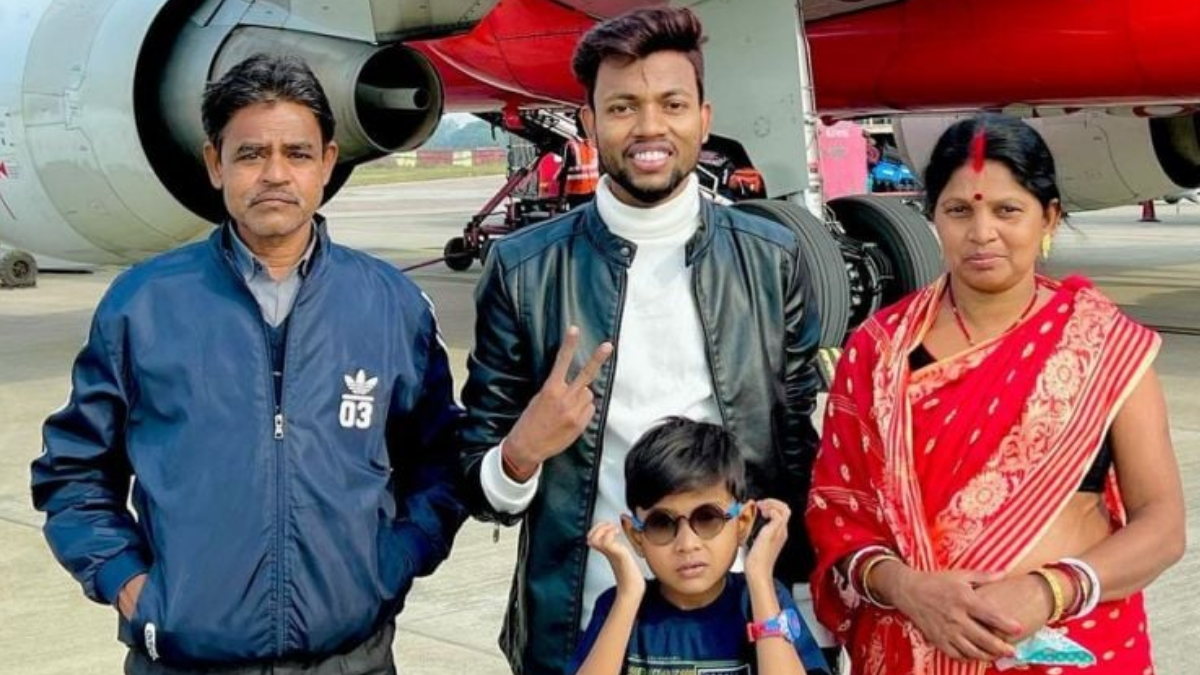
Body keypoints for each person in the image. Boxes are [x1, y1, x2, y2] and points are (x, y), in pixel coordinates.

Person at [30, 54, 466, 674]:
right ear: (216, 164)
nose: (275, 174)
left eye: (297, 152)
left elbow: (437, 462)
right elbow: (72, 473)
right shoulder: (144, 304)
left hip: (353, 660)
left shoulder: (390, 304)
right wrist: (132, 586)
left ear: (327, 164)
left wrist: (391, 564)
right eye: (251, 154)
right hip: (186, 660)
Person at [459, 7, 823, 674]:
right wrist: (519, 452)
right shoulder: (525, 270)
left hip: (743, 635)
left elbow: (797, 451)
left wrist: (802, 599)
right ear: (590, 123)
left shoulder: (771, 259)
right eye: (622, 106)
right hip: (587, 630)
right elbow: (474, 480)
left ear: (704, 118)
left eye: (672, 103)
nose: (650, 127)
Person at [807, 113, 1186, 675]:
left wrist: (1047, 591)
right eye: (960, 210)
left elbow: (1162, 524)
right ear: (933, 216)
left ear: (1049, 217)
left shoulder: (1104, 345)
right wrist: (908, 588)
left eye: (1007, 210)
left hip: (1073, 644)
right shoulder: (878, 350)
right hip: (913, 643)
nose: (982, 233)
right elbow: (837, 510)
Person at [569, 417, 830, 675]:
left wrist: (760, 577)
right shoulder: (618, 605)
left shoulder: (763, 600)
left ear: (744, 522)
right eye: (662, 523)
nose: (687, 544)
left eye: (707, 518)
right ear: (636, 536)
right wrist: (628, 597)